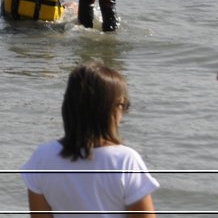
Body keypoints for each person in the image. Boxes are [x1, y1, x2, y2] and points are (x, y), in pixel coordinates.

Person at [21, 61, 158, 216]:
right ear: (107, 110)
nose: (124, 112)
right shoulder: (125, 160)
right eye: (122, 104)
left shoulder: (42, 157)